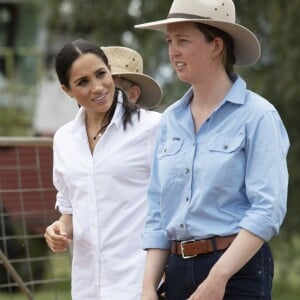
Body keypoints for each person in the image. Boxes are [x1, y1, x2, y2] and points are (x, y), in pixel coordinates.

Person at [134, 0, 290, 299]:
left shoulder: (258, 116)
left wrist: (218, 277)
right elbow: (157, 210)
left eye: (183, 40)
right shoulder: (169, 121)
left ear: (216, 45)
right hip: (176, 269)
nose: (172, 51)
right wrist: (147, 287)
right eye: (169, 41)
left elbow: (267, 209)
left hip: (238, 272)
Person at [43, 39, 161, 300]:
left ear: (110, 71)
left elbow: (171, 209)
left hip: (139, 284)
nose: (97, 87)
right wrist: (59, 230)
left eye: (101, 74)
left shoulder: (152, 128)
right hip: (87, 287)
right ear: (67, 90)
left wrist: (157, 284)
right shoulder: (63, 139)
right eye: (83, 82)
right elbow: (69, 212)